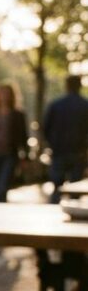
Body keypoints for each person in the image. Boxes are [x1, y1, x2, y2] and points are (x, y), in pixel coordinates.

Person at [43, 75, 88, 203]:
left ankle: (53, 208)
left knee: (57, 186)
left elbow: (46, 128)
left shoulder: (56, 105)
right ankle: (73, 209)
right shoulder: (85, 106)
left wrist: (52, 144)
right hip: (78, 151)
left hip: (59, 150)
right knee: (75, 188)